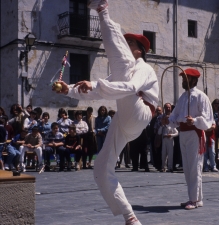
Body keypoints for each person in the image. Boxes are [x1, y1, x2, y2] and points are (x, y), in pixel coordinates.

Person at [53, 1, 159, 224]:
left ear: (139, 51)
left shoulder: (144, 68)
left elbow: (129, 88)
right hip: (124, 118)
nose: (123, 45)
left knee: (119, 65)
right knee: (101, 169)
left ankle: (102, 8)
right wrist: (68, 90)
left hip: (140, 112)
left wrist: (97, 86)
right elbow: (96, 89)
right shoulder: (121, 73)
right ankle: (130, 217)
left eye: (127, 43)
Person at [162, 68, 214, 210]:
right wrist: (168, 121)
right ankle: (196, 198)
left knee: (195, 167)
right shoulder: (182, 97)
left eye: (186, 78)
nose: (183, 81)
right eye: (183, 78)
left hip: (195, 134)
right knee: (187, 167)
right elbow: (175, 115)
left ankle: (194, 199)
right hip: (183, 134)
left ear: (193, 80)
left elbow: (207, 119)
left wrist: (195, 120)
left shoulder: (201, 97)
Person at [212, 99, 219, 169]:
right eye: (215, 103)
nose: (216, 104)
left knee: (218, 147)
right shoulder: (211, 112)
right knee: (214, 147)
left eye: (218, 103)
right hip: (213, 130)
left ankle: (217, 160)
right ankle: (214, 160)